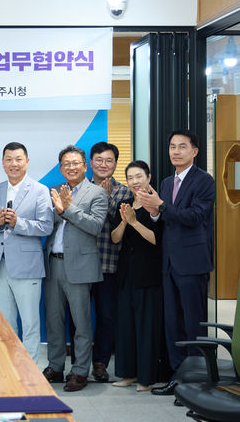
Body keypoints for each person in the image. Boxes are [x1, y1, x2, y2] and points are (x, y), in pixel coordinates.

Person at [137, 130, 215, 397]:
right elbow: (166, 219)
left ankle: (197, 383)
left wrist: (161, 206)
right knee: (173, 324)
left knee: (194, 324)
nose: (176, 151)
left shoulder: (204, 181)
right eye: (172, 146)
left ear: (195, 151)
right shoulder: (167, 182)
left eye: (182, 146)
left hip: (192, 262)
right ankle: (178, 379)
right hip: (169, 263)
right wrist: (154, 212)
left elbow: (195, 216)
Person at [42, 145, 107, 392]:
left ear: (85, 166)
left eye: (75, 163)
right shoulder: (55, 191)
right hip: (53, 263)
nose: (71, 167)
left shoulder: (97, 193)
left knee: (81, 322)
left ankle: (80, 371)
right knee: (54, 320)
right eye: (66, 164)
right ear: (60, 168)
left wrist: (67, 209)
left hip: (80, 265)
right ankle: (55, 366)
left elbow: (95, 226)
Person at [0, 142, 53, 363]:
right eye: (9, 159)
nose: (13, 164)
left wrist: (18, 223)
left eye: (18, 159)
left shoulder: (39, 190)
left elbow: (46, 226)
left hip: (27, 266)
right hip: (0, 265)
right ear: (3, 163)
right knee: (4, 323)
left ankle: (30, 370)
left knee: (30, 323)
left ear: (27, 161)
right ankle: (9, 367)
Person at [110, 160, 163, 391]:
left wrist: (134, 222)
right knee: (126, 325)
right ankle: (128, 374)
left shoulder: (157, 204)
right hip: (126, 274)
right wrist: (124, 222)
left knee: (146, 326)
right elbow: (115, 238)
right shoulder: (124, 205)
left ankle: (146, 378)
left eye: (138, 176)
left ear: (148, 177)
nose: (134, 181)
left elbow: (156, 239)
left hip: (149, 274)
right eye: (130, 177)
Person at [87, 142, 132, 381]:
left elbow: (121, 229)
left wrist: (105, 201)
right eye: (99, 160)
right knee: (79, 317)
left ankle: (100, 363)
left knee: (107, 316)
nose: (103, 165)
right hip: (81, 265)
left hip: (109, 264)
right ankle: (80, 363)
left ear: (115, 164)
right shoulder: (79, 189)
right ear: (90, 162)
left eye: (109, 160)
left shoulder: (124, 193)